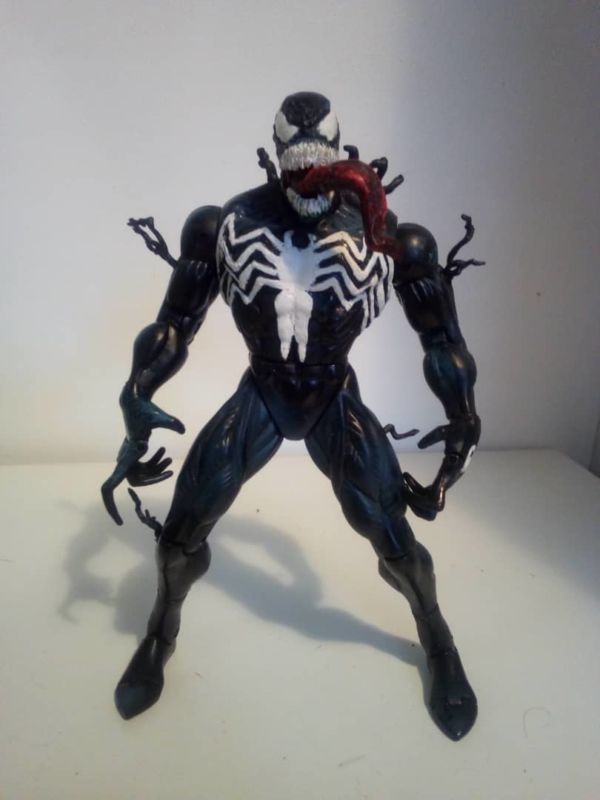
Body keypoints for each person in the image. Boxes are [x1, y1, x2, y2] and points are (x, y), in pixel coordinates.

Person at [102, 91, 482, 740]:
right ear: (277, 155)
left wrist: (461, 422)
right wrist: (138, 388)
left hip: (333, 397)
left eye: (320, 159)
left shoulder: (390, 238)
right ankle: (160, 633)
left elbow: (442, 340)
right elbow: (174, 322)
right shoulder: (225, 226)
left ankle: (438, 639)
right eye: (295, 159)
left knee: (395, 541)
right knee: (177, 537)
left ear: (338, 154)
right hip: (263, 393)